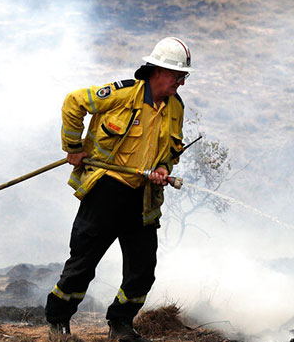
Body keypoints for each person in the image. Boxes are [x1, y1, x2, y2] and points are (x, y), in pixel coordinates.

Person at [44, 37, 193, 342]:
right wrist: (73, 146)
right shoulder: (122, 94)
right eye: (177, 76)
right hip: (107, 190)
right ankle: (58, 320)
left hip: (143, 199)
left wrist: (164, 168)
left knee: (142, 268)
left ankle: (121, 324)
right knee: (83, 262)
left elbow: (171, 149)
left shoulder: (175, 107)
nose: (180, 82)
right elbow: (74, 102)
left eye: (183, 77)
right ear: (157, 71)